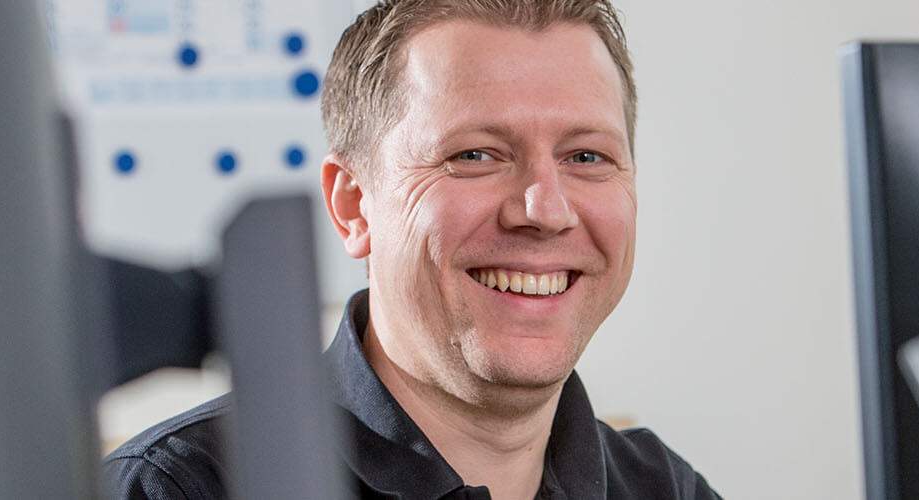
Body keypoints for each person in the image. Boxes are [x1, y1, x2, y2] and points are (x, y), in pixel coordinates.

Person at [105, 1, 721, 498]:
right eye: (474, 155)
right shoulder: (173, 490)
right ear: (353, 205)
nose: (545, 210)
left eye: (586, 156)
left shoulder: (664, 488)